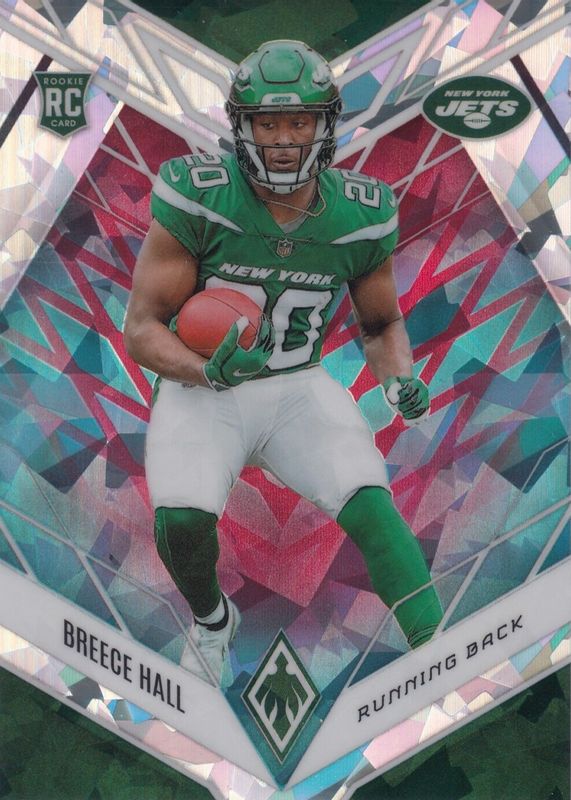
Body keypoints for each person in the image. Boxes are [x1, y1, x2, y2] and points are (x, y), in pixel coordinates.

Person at [123, 39, 443, 685]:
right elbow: (142, 328)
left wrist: (398, 378)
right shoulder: (202, 195)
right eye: (267, 123)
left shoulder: (360, 212)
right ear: (240, 127)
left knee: (371, 507)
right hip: (204, 386)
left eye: (299, 121)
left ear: (326, 125)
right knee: (181, 521)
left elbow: (380, 323)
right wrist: (205, 371)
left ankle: (441, 652)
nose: (284, 140)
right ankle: (213, 621)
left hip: (297, 386)